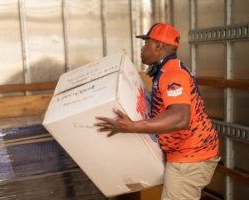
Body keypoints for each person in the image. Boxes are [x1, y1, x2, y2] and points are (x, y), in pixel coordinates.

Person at [94, 23, 220, 200]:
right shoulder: (166, 70)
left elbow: (180, 118)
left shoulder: (172, 74)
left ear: (159, 46)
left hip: (190, 157)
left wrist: (131, 126)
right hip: (186, 153)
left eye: (146, 42)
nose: (143, 48)